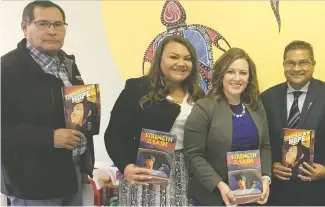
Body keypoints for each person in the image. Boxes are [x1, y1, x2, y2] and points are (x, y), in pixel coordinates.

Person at [1, 1, 93, 205]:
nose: (52, 31)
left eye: (59, 25)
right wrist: (48, 137)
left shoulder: (68, 65)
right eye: (43, 24)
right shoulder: (6, 70)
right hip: (33, 187)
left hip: (74, 176)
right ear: (24, 27)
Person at [104, 35, 204, 206]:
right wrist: (126, 166)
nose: (181, 63)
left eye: (187, 59)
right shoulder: (137, 89)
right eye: (173, 57)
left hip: (186, 173)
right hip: (146, 173)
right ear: (159, 60)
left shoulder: (198, 96)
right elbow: (114, 135)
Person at [261, 40, 325, 206]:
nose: (296, 68)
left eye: (303, 63)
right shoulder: (267, 98)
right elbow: (264, 141)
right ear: (283, 64)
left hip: (319, 191)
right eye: (290, 63)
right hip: (278, 193)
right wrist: (271, 165)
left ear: (313, 65)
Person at [184, 48, 272, 206]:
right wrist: (219, 185)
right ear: (221, 74)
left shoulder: (255, 105)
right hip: (214, 196)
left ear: (249, 77)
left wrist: (265, 177)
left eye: (243, 73)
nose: (237, 78)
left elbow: (265, 146)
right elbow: (194, 155)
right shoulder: (204, 107)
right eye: (231, 71)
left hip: (251, 194)